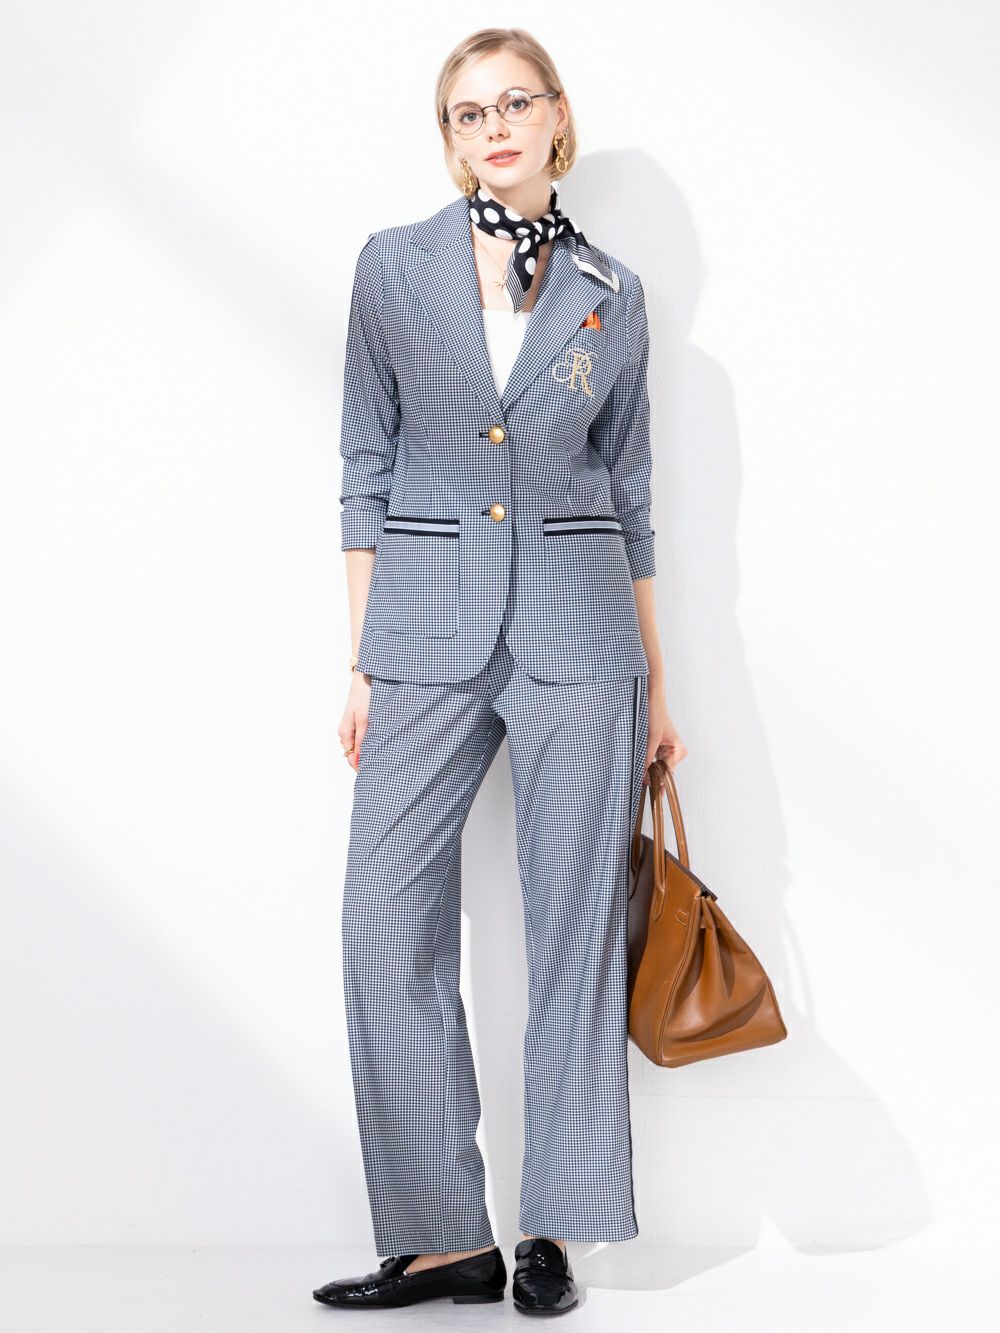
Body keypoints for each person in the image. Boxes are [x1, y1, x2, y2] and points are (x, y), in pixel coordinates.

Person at [313, 27, 687, 1316]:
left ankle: (552, 1232)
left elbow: (630, 493)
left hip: (583, 639)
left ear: (556, 117)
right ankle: (439, 1239)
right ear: (451, 138)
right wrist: (362, 660)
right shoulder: (392, 267)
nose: (495, 128)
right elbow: (364, 466)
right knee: (382, 924)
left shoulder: (612, 292)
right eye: (468, 114)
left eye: (515, 103)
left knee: (574, 932)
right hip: (421, 635)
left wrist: (656, 682)